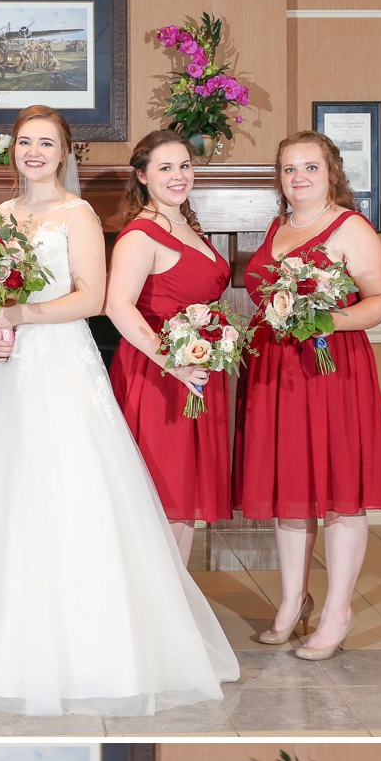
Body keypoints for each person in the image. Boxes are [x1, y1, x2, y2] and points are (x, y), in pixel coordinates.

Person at [0, 106, 240, 718]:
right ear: (14, 150)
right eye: (25, 142)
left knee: (67, 490)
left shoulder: (78, 215)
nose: (34, 152)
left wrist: (18, 318)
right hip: (7, 369)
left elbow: (93, 296)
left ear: (64, 152)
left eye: (46, 143)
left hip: (62, 365)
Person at [234, 131, 381, 659]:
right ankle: (290, 601)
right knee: (290, 490)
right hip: (277, 372)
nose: (298, 177)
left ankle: (338, 611)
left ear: (332, 173)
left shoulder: (351, 226)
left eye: (310, 167)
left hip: (331, 371)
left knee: (340, 491)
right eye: (288, 169)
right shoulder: (279, 227)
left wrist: (325, 317)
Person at [107, 131, 233, 564]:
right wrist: (172, 364)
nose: (179, 176)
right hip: (158, 377)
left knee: (184, 504)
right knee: (163, 501)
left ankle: (177, 607)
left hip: (195, 374)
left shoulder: (184, 225)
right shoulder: (141, 234)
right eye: (165, 168)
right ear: (142, 176)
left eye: (185, 166)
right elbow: (117, 306)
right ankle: (156, 616)